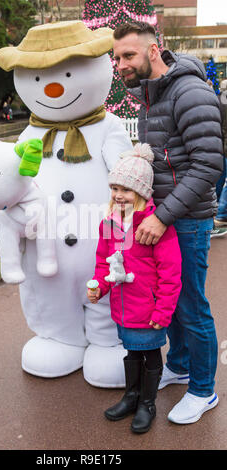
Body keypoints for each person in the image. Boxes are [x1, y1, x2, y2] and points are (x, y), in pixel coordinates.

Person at [113, 21, 223, 424]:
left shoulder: (189, 91)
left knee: (192, 306)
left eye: (128, 55)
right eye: (117, 57)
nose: (120, 63)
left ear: (154, 50)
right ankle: (178, 367)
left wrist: (160, 216)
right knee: (171, 301)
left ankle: (203, 390)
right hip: (164, 216)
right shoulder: (149, 96)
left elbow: (209, 163)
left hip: (186, 219)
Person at [87, 143, 182, 434]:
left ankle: (147, 403)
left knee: (151, 353)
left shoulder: (154, 228)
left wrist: (163, 311)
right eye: (114, 188)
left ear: (141, 194)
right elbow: (104, 263)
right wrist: (100, 287)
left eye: (126, 190)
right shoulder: (110, 224)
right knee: (131, 352)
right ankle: (131, 396)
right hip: (124, 307)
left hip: (150, 309)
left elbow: (171, 273)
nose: (118, 195)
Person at [213, 79, 227, 229]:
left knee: (220, 178)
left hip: (219, 146)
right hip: (223, 146)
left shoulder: (218, 101)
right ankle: (221, 213)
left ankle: (217, 207)